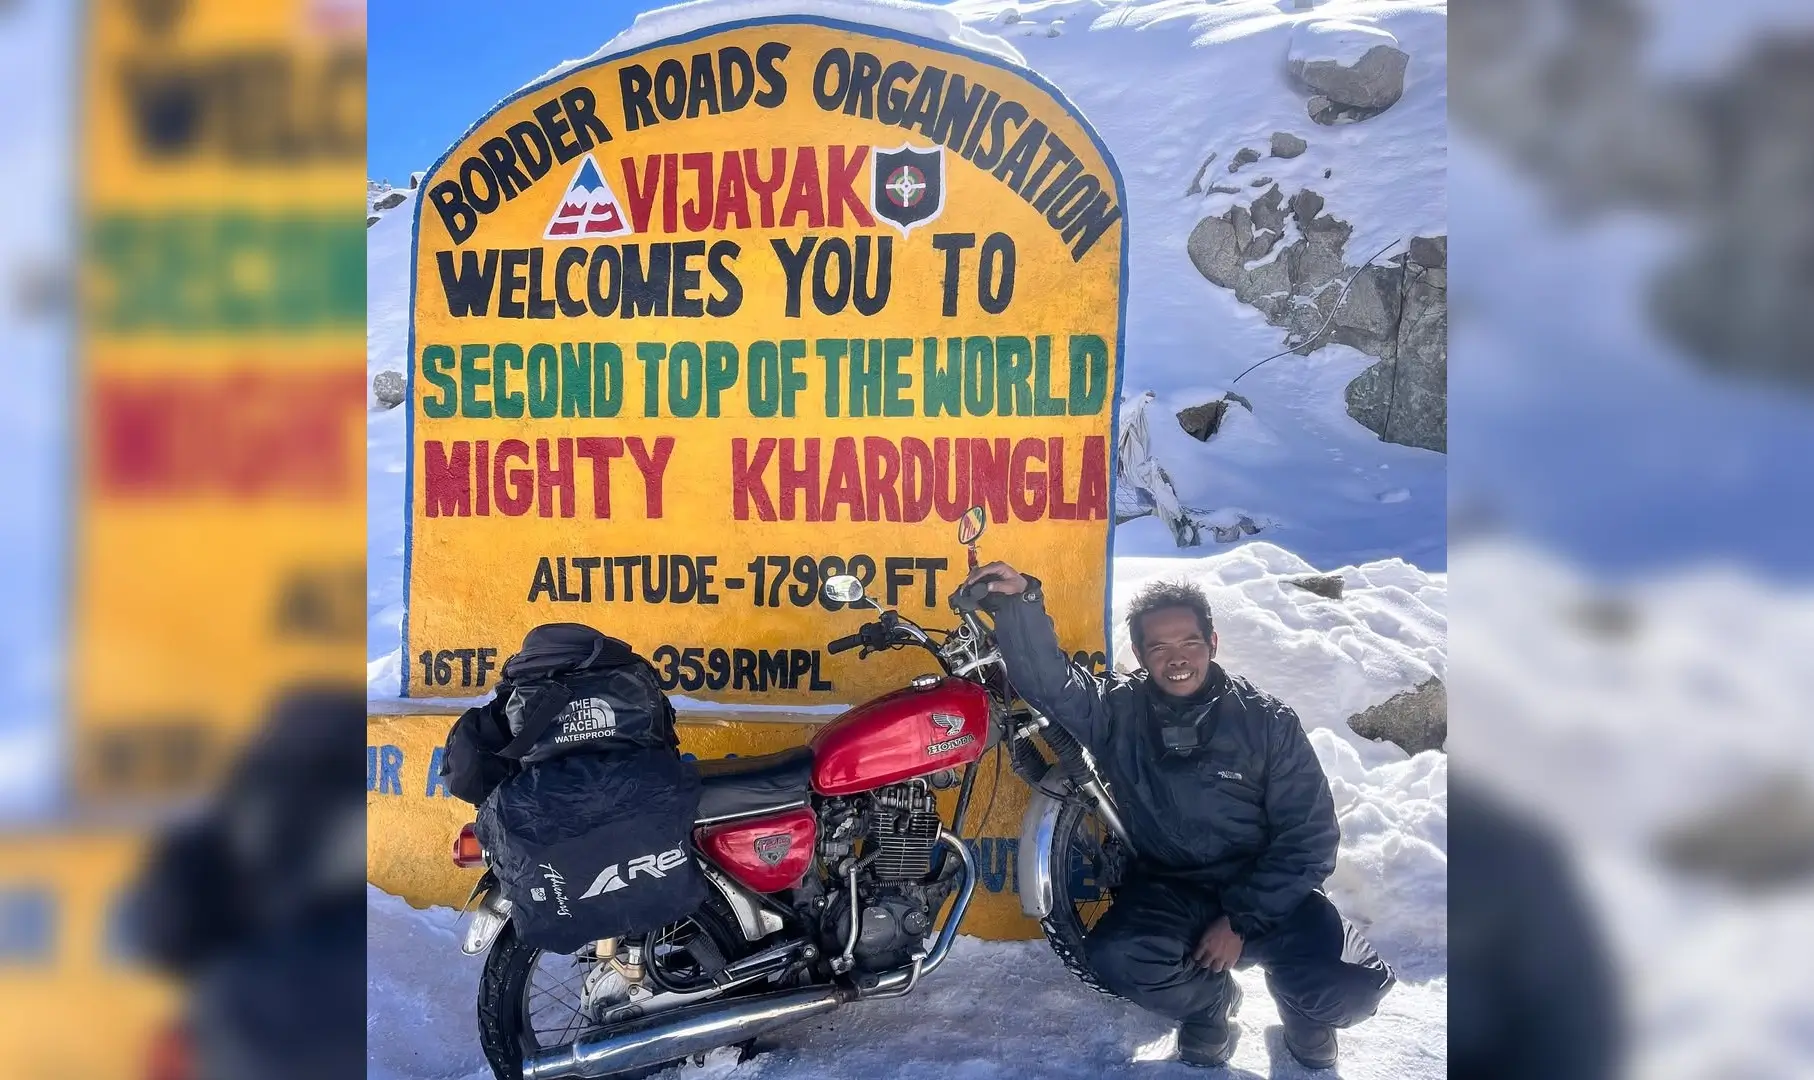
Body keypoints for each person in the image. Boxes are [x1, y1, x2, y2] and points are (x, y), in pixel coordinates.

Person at [961, 563, 1395, 1069]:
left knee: (1354, 988)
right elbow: (1049, 683)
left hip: (1269, 894)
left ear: (1212, 642)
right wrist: (1019, 603)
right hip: (1173, 890)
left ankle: (1302, 1011)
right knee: (1116, 956)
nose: (1178, 659)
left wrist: (1240, 919)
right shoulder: (1116, 712)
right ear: (1140, 654)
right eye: (1159, 648)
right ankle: (1209, 1006)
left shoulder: (1268, 723)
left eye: (1190, 642)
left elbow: (1311, 841)